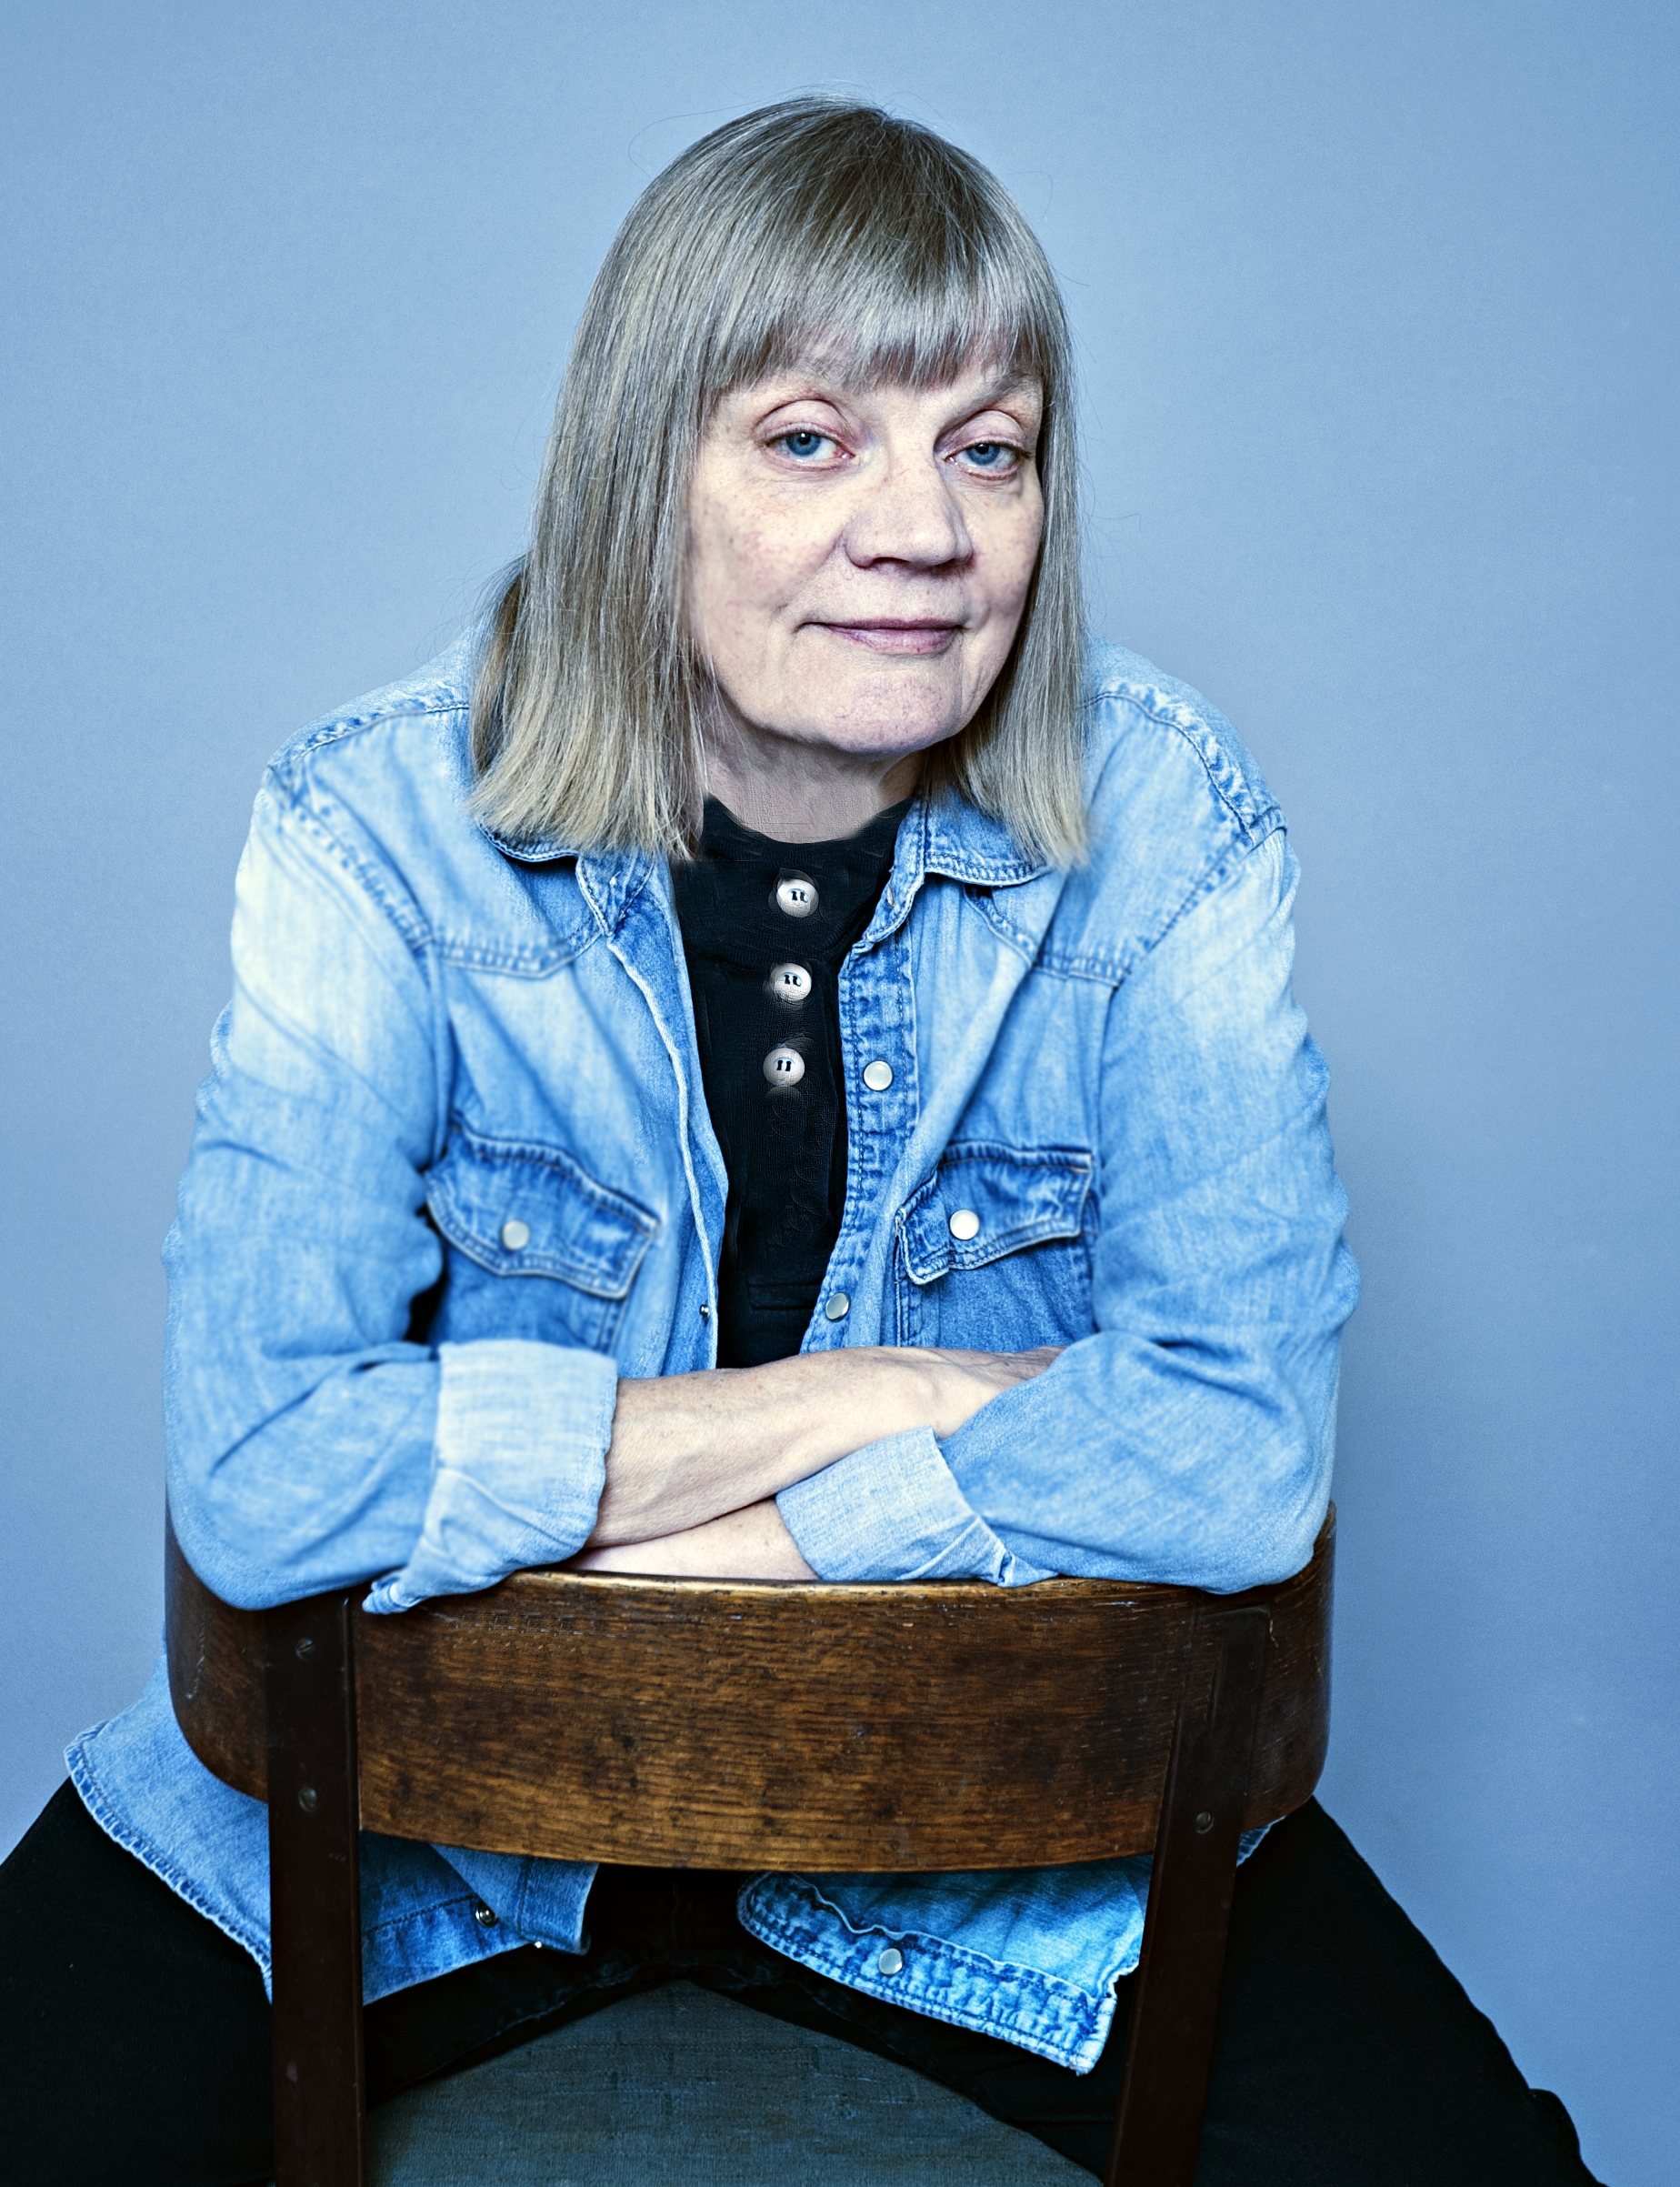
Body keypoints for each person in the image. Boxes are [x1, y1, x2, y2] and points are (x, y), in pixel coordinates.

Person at [0, 98, 1599, 2186]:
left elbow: (1238, 1446)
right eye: (811, 437)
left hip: (1002, 1848)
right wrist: (888, 1399)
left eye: (990, 447)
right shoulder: (373, 831)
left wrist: (652, 1573)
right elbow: (263, 1478)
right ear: (638, 473)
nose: (925, 532)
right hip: (412, 1854)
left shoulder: (1171, 824)